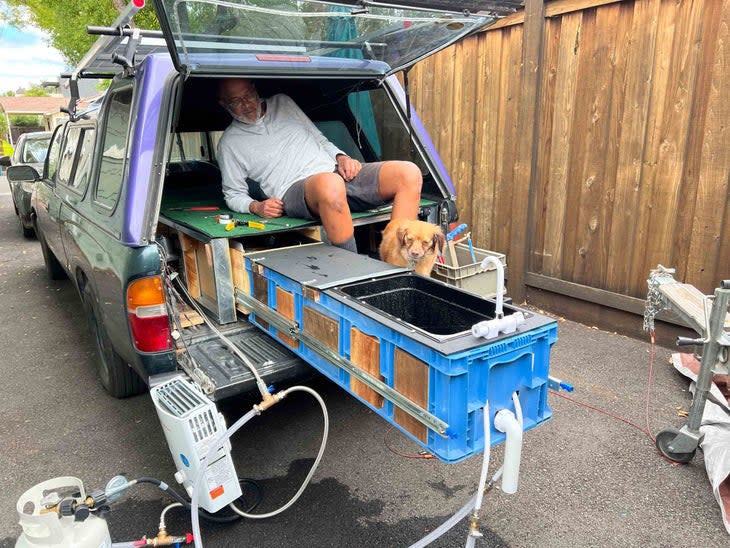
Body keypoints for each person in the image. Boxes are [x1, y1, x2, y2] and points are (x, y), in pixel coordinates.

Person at [216, 78, 422, 253]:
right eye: (236, 101)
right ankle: (352, 275)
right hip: (294, 190)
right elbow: (233, 193)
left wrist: (341, 157)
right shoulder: (230, 143)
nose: (247, 104)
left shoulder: (283, 102)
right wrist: (256, 206)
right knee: (330, 184)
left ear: (255, 89)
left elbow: (318, 138)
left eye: (248, 95)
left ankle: (397, 262)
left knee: (408, 173)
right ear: (224, 105)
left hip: (334, 172)